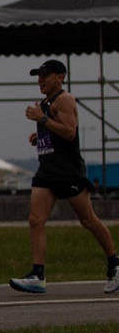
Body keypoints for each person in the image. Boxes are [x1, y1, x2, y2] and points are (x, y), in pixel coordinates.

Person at [10, 59, 119, 294]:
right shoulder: (45, 103)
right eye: (38, 76)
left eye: (45, 75)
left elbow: (70, 133)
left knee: (88, 220)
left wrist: (42, 120)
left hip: (68, 172)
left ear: (60, 77)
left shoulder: (65, 100)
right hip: (47, 170)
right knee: (35, 220)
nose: (40, 80)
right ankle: (37, 275)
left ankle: (115, 265)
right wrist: (40, 138)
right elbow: (56, 132)